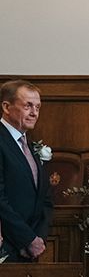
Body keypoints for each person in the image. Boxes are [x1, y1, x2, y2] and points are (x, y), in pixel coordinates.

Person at [0, 79, 53, 262]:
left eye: (38, 107)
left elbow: (44, 197)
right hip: (6, 246)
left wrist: (37, 239)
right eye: (28, 106)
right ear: (7, 107)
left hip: (30, 249)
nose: (34, 113)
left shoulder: (28, 145)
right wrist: (26, 239)